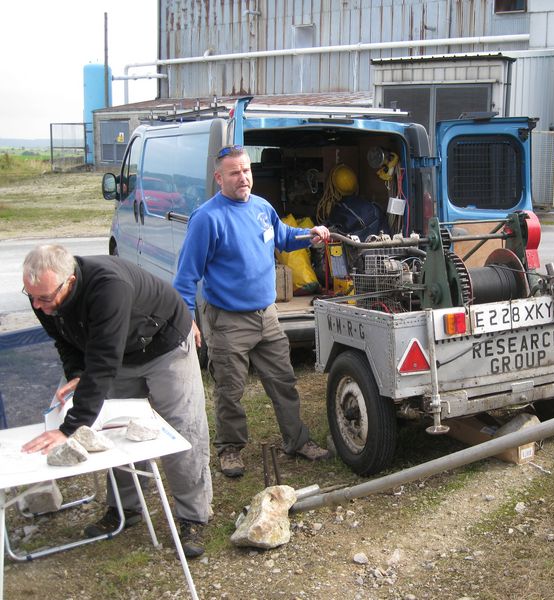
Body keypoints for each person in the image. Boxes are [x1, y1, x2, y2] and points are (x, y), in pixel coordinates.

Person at [21, 245, 213, 558]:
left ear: (69, 281)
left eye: (44, 297)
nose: (39, 306)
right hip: (120, 352)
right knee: (117, 431)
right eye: (32, 297)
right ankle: (126, 509)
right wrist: (76, 372)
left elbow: (103, 362)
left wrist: (70, 428)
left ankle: (193, 516)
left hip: (164, 344)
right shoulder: (42, 295)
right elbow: (65, 341)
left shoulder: (108, 287)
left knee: (182, 428)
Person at [173, 144, 332, 478]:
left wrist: (310, 237)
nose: (243, 177)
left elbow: (283, 237)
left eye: (246, 170)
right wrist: (188, 321)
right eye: (234, 172)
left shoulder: (261, 207)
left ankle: (297, 441)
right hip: (228, 321)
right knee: (230, 390)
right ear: (219, 178)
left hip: (267, 315)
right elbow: (186, 277)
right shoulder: (207, 219)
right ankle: (230, 449)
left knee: (284, 382)